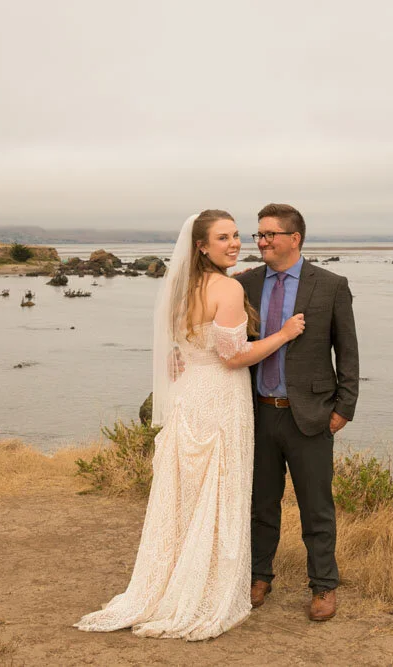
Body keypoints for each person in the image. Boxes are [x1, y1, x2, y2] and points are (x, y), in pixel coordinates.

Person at [73, 210, 305, 641]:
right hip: (221, 397)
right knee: (218, 492)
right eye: (223, 238)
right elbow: (234, 356)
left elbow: (177, 352)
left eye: (237, 235)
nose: (235, 243)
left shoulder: (180, 288)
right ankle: (207, 588)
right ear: (201, 245)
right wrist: (284, 334)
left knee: (186, 495)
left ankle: (168, 583)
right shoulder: (229, 288)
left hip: (188, 397)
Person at [235, 203, 359, 622]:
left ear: (295, 239)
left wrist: (345, 407)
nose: (261, 242)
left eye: (269, 234)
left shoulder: (331, 285)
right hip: (257, 413)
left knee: (316, 507)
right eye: (259, 234)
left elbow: (348, 351)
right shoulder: (244, 284)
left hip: (310, 416)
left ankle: (323, 585)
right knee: (260, 503)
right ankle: (258, 576)